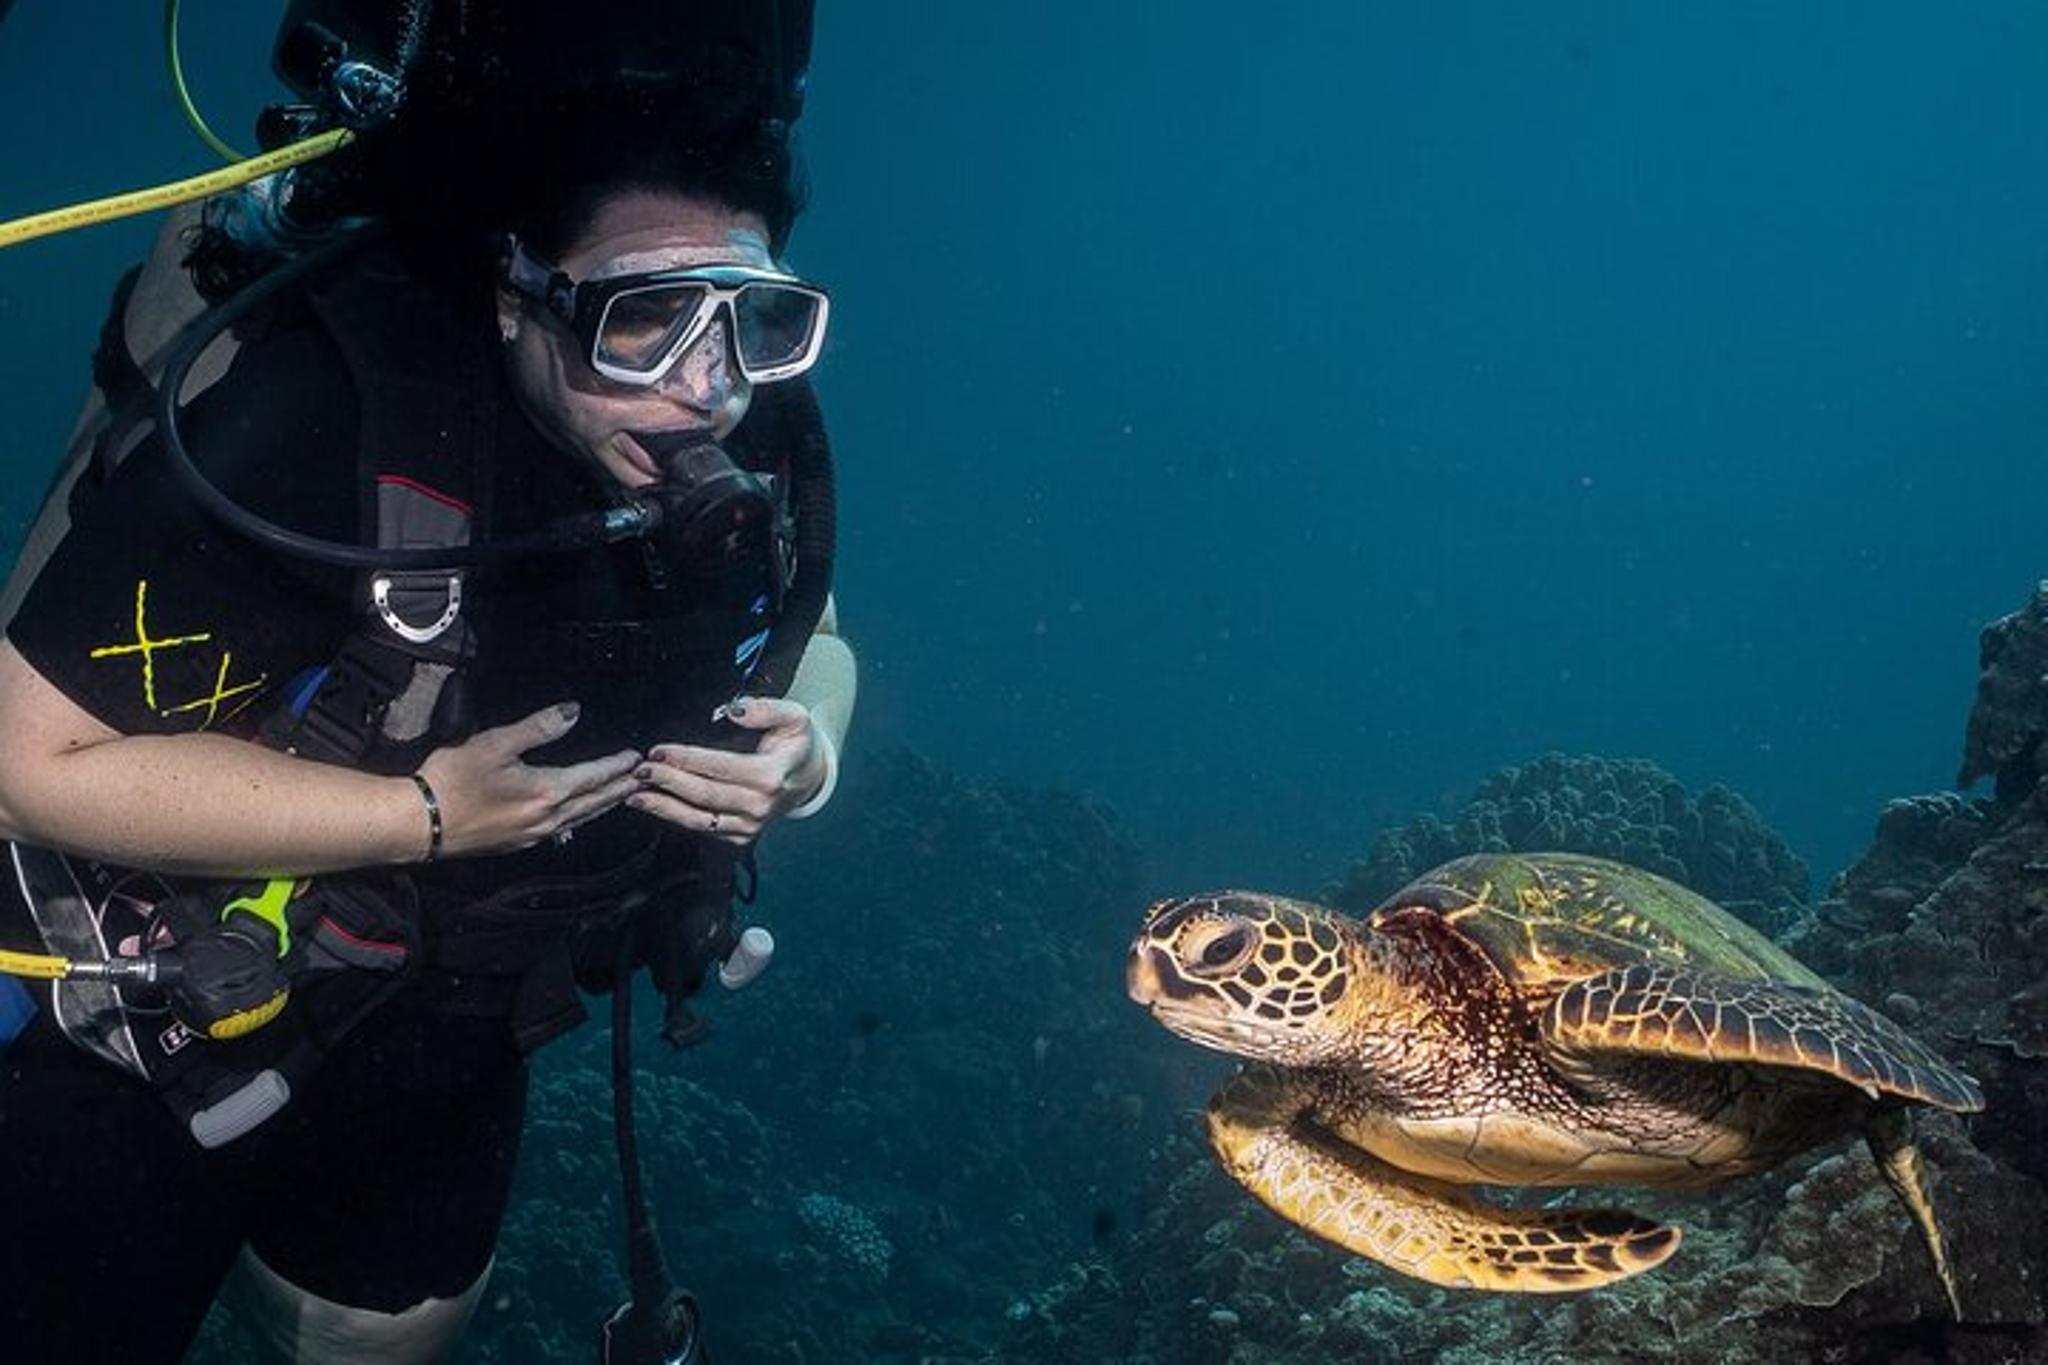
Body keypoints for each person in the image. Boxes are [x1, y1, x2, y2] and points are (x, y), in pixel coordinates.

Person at [0, 7, 850, 1361]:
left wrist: (811, 755)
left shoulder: (754, 419)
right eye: (642, 318)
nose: (707, 385)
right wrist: (423, 818)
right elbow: (28, 756)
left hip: (457, 1022)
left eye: (761, 321)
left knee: (378, 1336)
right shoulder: (319, 417)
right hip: (148, 1016)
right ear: (517, 290)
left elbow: (818, 625)